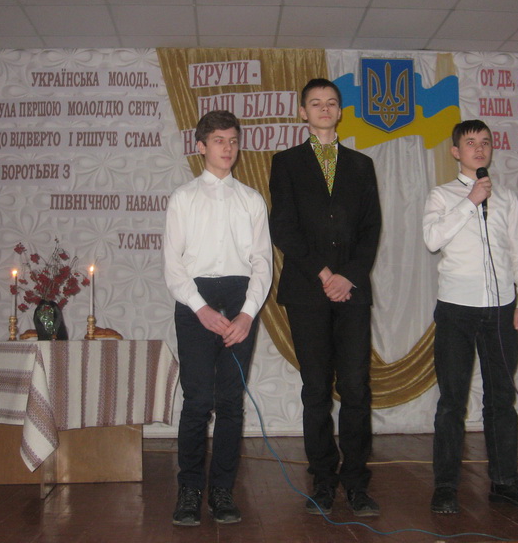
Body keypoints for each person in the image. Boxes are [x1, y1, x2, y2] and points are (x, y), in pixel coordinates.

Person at [269, 78, 382, 517]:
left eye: (331, 103)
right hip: (307, 291)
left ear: (340, 112)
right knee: (316, 388)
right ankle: (322, 479)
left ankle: (356, 481)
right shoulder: (286, 163)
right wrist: (324, 273)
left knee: (354, 387)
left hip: (352, 292)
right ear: (303, 112)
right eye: (315, 103)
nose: (323, 109)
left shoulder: (361, 165)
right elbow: (284, 228)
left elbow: (371, 228)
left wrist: (348, 276)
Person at [422, 119, 518, 514]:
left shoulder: (506, 198)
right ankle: (445, 487)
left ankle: (505, 482)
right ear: (455, 151)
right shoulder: (441, 196)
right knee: (451, 402)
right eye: (470, 142)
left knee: (501, 400)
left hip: (501, 309)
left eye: (485, 142)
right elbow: (432, 239)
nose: (479, 148)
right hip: (456, 310)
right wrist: (470, 200)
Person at [163, 110, 272, 526]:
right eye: (219, 141)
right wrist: (201, 307)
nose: (228, 148)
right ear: (201, 147)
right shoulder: (183, 198)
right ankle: (190, 491)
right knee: (197, 400)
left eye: (233, 140)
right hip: (196, 301)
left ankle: (223, 491)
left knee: (230, 401)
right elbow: (173, 266)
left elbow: (262, 263)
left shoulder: (251, 200)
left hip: (241, 301)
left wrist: (247, 314)